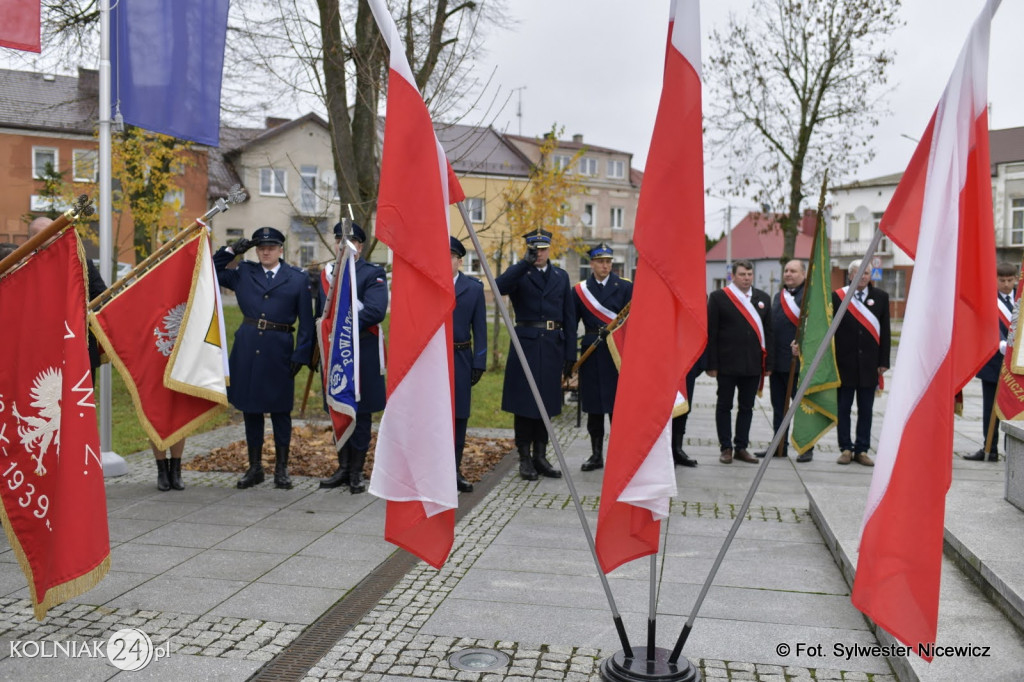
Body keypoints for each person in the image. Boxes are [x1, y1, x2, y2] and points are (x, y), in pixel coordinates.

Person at [214, 226, 314, 489]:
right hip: (248, 348)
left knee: (281, 411)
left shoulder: (297, 278)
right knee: (251, 410)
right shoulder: (244, 272)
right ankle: (255, 467)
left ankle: (281, 470)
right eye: (260, 248)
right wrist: (233, 250)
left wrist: (301, 353)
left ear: (281, 249)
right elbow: (210, 270)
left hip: (280, 349)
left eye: (270, 247)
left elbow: (306, 320)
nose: (265, 252)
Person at [495, 229, 576, 481]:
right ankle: (525, 458)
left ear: (549, 249)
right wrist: (523, 263)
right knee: (524, 404)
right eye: (534, 249)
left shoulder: (561, 276)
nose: (538, 254)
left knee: (547, 404)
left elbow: (569, 315)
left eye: (542, 249)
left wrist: (570, 353)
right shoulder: (520, 273)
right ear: (527, 249)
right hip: (526, 346)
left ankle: (541, 456)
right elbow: (499, 287)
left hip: (553, 345)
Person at [317, 222, 388, 494]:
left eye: (348, 241)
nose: (342, 246)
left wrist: (342, 324)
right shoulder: (328, 275)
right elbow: (321, 316)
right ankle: (343, 467)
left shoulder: (372, 273)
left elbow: (375, 311)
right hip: (335, 354)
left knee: (363, 411)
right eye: (338, 241)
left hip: (363, 352)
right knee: (338, 407)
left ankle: (357, 471)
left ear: (359, 246)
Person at [572, 242, 632, 472]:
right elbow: (570, 324)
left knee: (618, 408)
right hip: (592, 352)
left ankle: (620, 455)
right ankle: (596, 455)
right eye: (601, 262)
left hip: (618, 354)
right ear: (592, 264)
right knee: (594, 407)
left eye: (608, 262)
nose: (605, 266)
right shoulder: (580, 290)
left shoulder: (626, 287)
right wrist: (570, 359)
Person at [706, 259, 773, 464]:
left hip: (752, 364)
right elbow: (712, 332)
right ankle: (726, 447)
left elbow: (769, 333)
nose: (746, 278)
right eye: (742, 274)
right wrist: (711, 364)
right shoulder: (719, 298)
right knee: (724, 405)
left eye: (749, 274)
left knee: (747, 407)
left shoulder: (763, 298)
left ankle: (741, 447)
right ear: (733, 276)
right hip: (726, 363)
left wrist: (768, 364)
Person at [29, 217, 107, 378]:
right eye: (49, 232)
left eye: (57, 229)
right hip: (40, 351)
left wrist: (81, 313)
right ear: (34, 240)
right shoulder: (26, 268)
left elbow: (102, 298)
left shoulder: (82, 264)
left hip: (79, 347)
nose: (58, 233)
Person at [832, 260, 890, 466]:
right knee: (843, 408)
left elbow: (885, 331)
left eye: (866, 273)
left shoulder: (881, 298)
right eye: (859, 273)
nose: (863, 277)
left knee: (866, 409)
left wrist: (884, 361)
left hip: (869, 364)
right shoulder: (838, 297)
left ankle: (862, 449)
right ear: (850, 275)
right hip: (844, 364)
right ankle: (846, 448)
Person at [756, 259, 814, 462]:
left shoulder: (810, 297)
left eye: (793, 271)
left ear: (804, 274)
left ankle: (806, 446)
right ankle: (779, 445)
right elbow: (772, 330)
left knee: (802, 407)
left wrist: (804, 349)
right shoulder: (778, 296)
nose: (788, 274)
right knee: (779, 406)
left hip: (801, 364)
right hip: (780, 363)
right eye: (786, 270)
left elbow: (816, 331)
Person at [966, 261, 1018, 461]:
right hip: (993, 362)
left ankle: (1011, 451)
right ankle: (989, 448)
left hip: (1015, 366)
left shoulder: (1019, 299)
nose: (1006, 284)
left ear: (1015, 279)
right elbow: (984, 325)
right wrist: (1000, 343)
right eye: (1002, 280)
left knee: (1012, 408)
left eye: (1010, 280)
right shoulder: (988, 300)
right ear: (995, 280)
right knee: (990, 408)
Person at [450, 236, 487, 492]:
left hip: (461, 357)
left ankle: (454, 470)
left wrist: (480, 362)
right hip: (434, 360)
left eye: (450, 256)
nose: (445, 261)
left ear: (460, 260)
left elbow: (481, 328)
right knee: (435, 415)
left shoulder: (473, 288)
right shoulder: (430, 284)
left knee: (459, 415)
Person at [670, 353, 705, 468]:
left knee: (684, 405)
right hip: (666, 359)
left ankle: (677, 448)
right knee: (666, 407)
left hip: (687, 357)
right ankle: (667, 450)